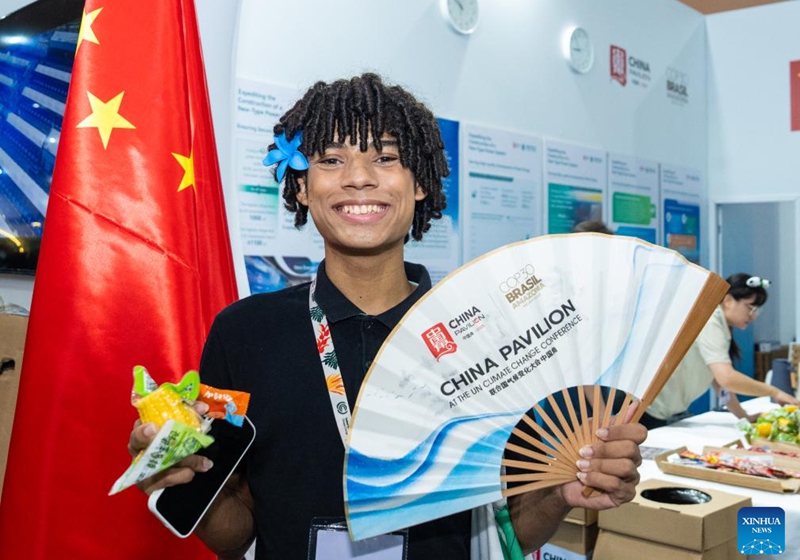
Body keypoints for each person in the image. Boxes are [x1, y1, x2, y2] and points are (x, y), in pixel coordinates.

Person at [129, 73, 646, 559]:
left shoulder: (486, 332)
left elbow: (509, 526)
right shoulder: (245, 332)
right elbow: (236, 533)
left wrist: (561, 493)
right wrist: (183, 473)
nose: (358, 179)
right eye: (330, 160)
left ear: (419, 183)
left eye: (386, 158)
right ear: (303, 187)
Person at [643, 273, 800, 429]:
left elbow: (721, 385)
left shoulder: (722, 327)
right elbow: (727, 378)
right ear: (728, 300)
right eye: (750, 308)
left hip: (660, 411)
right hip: (645, 409)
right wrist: (774, 391)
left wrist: (744, 417)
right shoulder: (710, 321)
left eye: (756, 310)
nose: (753, 317)